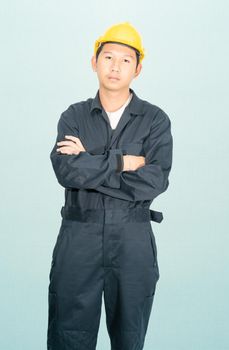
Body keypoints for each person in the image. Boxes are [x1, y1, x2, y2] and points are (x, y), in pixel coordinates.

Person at [47, 21, 173, 350]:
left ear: (138, 68)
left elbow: (154, 181)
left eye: (125, 59)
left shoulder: (155, 120)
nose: (115, 66)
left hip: (132, 242)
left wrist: (89, 162)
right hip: (79, 240)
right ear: (94, 62)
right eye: (108, 57)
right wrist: (122, 162)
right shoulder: (73, 117)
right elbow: (66, 171)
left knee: (129, 338)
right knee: (68, 337)